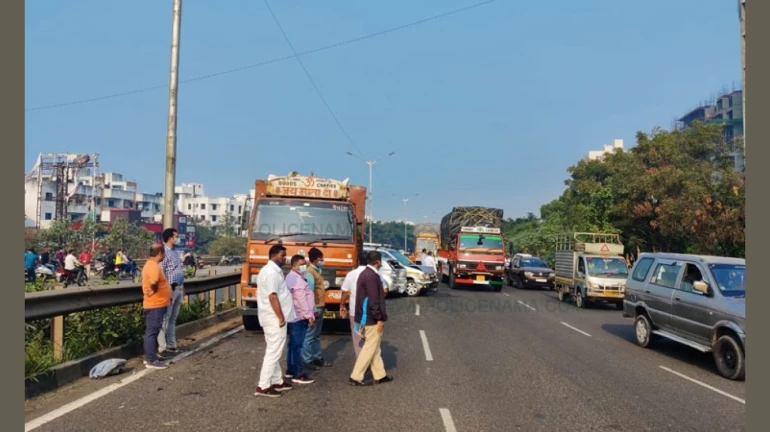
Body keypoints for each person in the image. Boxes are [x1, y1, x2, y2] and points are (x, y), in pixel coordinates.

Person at [255, 245, 296, 398]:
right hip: (274, 318)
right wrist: (280, 317)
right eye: (282, 255)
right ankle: (263, 385)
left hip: (272, 317)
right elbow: (273, 296)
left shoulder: (273, 271)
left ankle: (277, 380)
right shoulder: (271, 273)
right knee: (273, 352)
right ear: (273, 256)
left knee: (275, 349)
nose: (285, 258)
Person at [349, 251, 393, 386]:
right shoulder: (371, 276)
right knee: (369, 348)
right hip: (370, 317)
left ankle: (380, 375)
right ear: (378, 262)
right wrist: (379, 319)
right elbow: (374, 300)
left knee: (375, 347)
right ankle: (356, 376)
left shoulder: (365, 274)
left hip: (365, 315)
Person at [285, 254, 316, 385]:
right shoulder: (296, 279)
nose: (304, 266)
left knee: (292, 345)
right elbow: (301, 299)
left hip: (295, 315)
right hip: (299, 316)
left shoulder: (295, 277)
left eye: (305, 264)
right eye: (301, 264)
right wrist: (309, 315)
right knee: (297, 346)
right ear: (294, 265)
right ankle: (298, 373)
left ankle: (291, 370)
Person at [141, 244, 172, 369]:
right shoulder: (153, 266)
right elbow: (154, 282)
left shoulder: (150, 264)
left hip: (156, 304)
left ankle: (151, 356)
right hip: (155, 304)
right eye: (163, 253)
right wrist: (152, 291)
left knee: (152, 331)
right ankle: (151, 360)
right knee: (152, 332)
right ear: (160, 253)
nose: (164, 256)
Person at [302, 248, 332, 370]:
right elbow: (309, 292)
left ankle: (317, 358)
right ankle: (307, 360)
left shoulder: (317, 271)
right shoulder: (310, 272)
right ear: (315, 259)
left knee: (316, 335)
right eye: (321, 259)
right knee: (309, 336)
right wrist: (312, 310)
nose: (322, 261)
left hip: (320, 306)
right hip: (315, 308)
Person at [158, 228, 185, 359]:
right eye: (176, 236)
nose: (177, 238)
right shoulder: (164, 252)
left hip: (179, 288)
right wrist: (166, 288)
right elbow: (161, 271)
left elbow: (178, 270)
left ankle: (172, 344)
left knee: (173, 318)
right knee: (166, 318)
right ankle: (162, 347)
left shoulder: (174, 252)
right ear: (170, 238)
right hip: (170, 288)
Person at [340, 253, 367, 357]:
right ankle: (369, 360)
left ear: (358, 261)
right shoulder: (375, 274)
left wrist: (342, 305)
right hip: (370, 311)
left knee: (357, 337)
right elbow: (385, 290)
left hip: (355, 311)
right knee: (370, 337)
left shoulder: (351, 274)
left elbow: (345, 292)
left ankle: (361, 360)